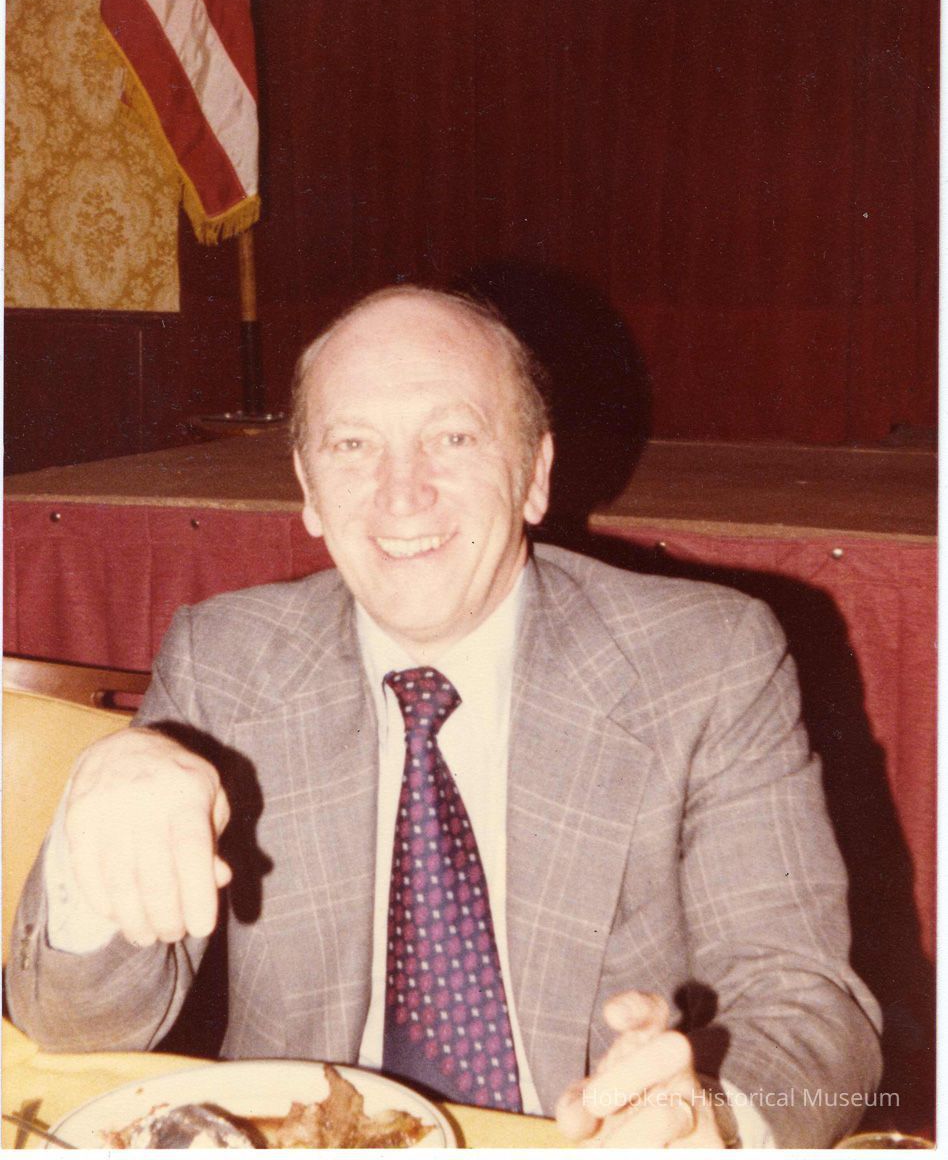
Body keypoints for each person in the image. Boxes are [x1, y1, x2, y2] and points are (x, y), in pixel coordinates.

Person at [7, 285, 881, 1147]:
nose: (402, 492)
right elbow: (79, 1028)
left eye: (452, 437)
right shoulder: (227, 663)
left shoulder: (704, 660)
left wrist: (721, 1117)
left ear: (534, 473)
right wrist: (95, 823)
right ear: (308, 488)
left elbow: (810, 1008)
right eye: (354, 445)